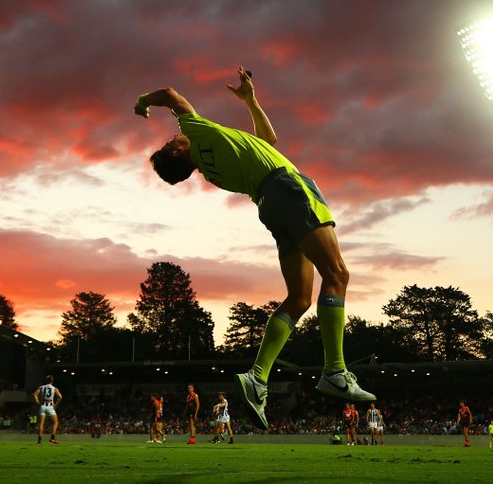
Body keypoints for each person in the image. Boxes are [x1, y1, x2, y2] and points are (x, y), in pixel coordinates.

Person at [136, 68, 375, 431]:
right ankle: (336, 370)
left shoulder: (215, 171)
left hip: (269, 204)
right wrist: (143, 102)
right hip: (288, 189)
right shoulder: (197, 134)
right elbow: (170, 93)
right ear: (177, 149)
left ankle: (257, 377)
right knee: (337, 274)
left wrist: (250, 101)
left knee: (299, 299)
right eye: (173, 140)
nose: (176, 135)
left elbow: (268, 140)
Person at [32, 375, 62, 444]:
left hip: (43, 406)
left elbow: (34, 395)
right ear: (52, 381)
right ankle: (52, 438)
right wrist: (56, 405)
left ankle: (39, 440)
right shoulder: (54, 388)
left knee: (41, 423)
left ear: (46, 380)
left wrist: (37, 402)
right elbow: (60, 397)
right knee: (55, 422)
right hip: (50, 406)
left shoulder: (41, 387)